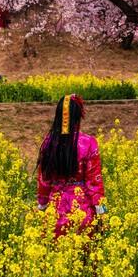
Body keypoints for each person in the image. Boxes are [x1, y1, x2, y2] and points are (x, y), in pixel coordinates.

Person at [36, 94, 106, 237]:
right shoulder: (89, 143)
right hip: (82, 214)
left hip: (54, 216)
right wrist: (103, 213)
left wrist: (41, 207)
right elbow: (95, 183)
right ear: (79, 116)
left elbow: (44, 182)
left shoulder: (48, 143)